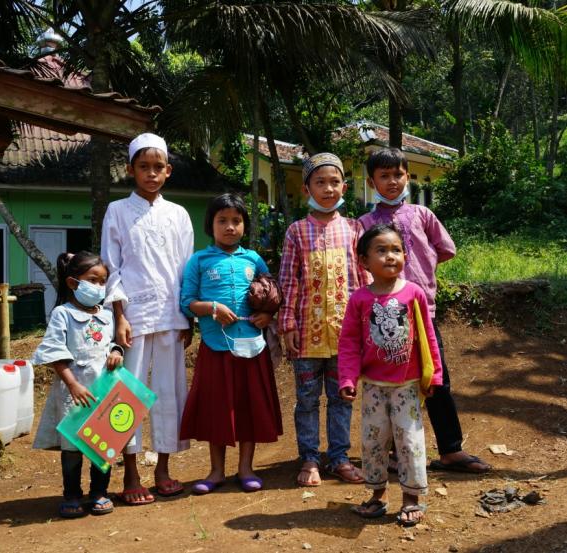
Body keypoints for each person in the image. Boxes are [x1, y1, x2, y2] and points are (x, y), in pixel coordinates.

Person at [358, 148, 491, 474]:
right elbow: (359, 265)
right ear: (371, 181)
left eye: (398, 174)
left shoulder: (422, 215)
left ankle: (450, 450)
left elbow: (446, 250)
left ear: (408, 176)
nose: (392, 181)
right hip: (384, 316)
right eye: (384, 176)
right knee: (387, 382)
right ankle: (389, 455)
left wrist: (421, 272)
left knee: (436, 378)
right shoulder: (364, 224)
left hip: (422, 312)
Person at [100, 133, 194, 505]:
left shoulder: (179, 215)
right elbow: (111, 267)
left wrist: (188, 316)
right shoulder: (118, 211)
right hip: (133, 319)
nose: (151, 174)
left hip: (172, 317)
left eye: (158, 167)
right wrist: (119, 315)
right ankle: (132, 474)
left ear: (168, 171)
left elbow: (187, 269)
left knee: (169, 394)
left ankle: (164, 470)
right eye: (144, 167)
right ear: (131, 170)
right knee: (127, 394)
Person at [338, 224, 443, 526]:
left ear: (405, 256)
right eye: (381, 250)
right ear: (363, 261)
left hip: (407, 386)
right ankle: (377, 495)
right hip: (373, 386)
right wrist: (347, 378)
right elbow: (349, 343)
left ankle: (411, 498)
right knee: (373, 441)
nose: (390, 256)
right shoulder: (359, 299)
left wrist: (434, 375)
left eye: (396, 250)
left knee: (409, 441)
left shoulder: (414, 293)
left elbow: (428, 338)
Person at [179, 193, 283, 494]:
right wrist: (211, 308)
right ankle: (215, 471)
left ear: (244, 226)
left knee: (249, 407)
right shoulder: (199, 260)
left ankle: (246, 468)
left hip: (252, 347)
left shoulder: (254, 259)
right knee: (217, 408)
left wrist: (266, 314)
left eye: (236, 221)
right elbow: (187, 302)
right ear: (210, 225)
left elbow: (271, 293)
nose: (230, 227)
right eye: (222, 220)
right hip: (215, 346)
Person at [278, 153, 368, 487]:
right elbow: (288, 281)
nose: (328, 189)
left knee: (343, 397)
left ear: (344, 186)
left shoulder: (354, 228)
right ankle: (310, 459)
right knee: (307, 400)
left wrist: (365, 325)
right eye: (320, 182)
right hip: (306, 334)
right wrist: (287, 323)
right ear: (306, 190)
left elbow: (363, 279)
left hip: (346, 334)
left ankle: (340, 458)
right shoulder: (296, 232)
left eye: (334, 182)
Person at [32, 251, 124, 518]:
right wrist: (72, 384)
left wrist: (116, 352)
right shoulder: (63, 314)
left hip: (103, 391)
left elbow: (111, 343)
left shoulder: (107, 315)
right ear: (73, 283)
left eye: (102, 281)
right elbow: (54, 353)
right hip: (74, 393)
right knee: (72, 448)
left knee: (102, 445)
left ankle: (99, 493)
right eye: (92, 280)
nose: (98, 287)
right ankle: (72, 495)